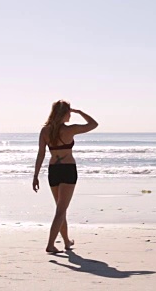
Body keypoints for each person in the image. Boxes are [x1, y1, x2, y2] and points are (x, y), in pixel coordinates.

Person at [32, 100, 98, 253]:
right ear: (64, 113)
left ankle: (67, 241)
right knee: (61, 211)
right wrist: (80, 112)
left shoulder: (45, 131)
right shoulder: (71, 130)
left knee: (60, 209)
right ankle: (50, 245)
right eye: (69, 112)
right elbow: (94, 124)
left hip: (53, 170)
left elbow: (41, 154)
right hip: (68, 170)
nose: (70, 115)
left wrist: (35, 175)